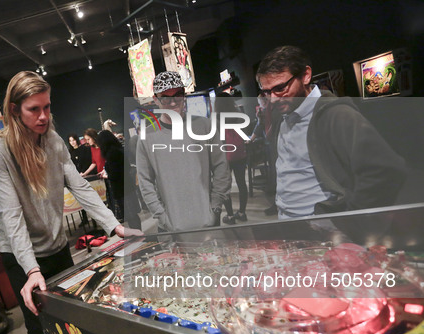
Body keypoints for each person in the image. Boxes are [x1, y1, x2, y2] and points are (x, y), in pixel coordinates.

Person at [0, 71, 137, 334]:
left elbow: (79, 186)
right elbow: (11, 215)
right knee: (39, 332)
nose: (43, 116)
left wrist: (114, 225)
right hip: (20, 254)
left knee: (72, 319)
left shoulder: (53, 141)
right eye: (33, 109)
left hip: (55, 243)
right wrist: (32, 269)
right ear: (14, 110)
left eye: (47, 107)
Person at [256, 45, 407, 219]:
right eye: (266, 92)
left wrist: (350, 222)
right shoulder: (282, 114)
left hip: (324, 229)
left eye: (280, 88)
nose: (273, 98)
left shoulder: (337, 114)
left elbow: (387, 169)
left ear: (305, 76)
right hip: (288, 222)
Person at [136, 71, 231, 232]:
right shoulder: (147, 137)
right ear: (156, 99)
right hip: (171, 226)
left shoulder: (204, 126)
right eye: (166, 97)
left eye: (178, 95)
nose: (173, 103)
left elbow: (221, 167)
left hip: (208, 221)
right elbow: (145, 182)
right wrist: (162, 217)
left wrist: (215, 207)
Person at [97, 129, 142, 230]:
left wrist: (106, 175)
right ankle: (138, 234)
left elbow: (115, 174)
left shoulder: (112, 154)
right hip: (127, 186)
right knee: (132, 215)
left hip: (122, 189)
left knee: (131, 215)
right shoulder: (117, 149)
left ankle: (139, 236)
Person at [215, 93, 248, 225]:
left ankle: (230, 216)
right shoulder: (238, 113)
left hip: (225, 156)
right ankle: (242, 212)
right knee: (241, 183)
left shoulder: (217, 117)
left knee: (225, 187)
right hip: (240, 153)